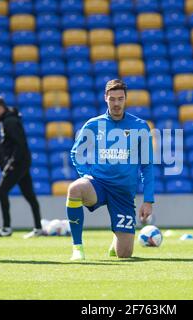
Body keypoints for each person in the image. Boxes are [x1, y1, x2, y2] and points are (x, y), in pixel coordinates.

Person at [67, 79, 154, 260]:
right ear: (105, 98)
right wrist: (86, 175)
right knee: (75, 189)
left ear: (126, 99)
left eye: (120, 99)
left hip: (123, 192)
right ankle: (77, 248)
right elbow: (76, 153)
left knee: (124, 254)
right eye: (112, 99)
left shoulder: (140, 126)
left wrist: (148, 200)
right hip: (99, 184)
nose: (116, 103)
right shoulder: (93, 124)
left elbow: (147, 166)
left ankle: (116, 241)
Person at [0, 96, 43, 238]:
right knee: (29, 195)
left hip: (18, 163)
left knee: (1, 190)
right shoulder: (9, 120)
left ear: (0, 108)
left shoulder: (9, 122)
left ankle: (6, 228)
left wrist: (10, 164)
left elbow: (20, 145)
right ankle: (38, 228)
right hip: (22, 162)